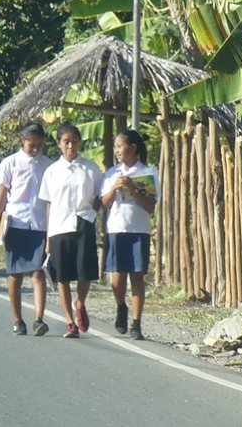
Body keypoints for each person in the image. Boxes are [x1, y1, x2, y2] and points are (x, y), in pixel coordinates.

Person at [38, 123, 103, 339]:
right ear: (59, 144)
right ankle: (69, 322)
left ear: (80, 142)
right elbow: (48, 204)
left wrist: (92, 214)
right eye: (66, 141)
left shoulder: (91, 168)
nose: (70, 146)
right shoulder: (52, 172)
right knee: (62, 277)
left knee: (85, 271)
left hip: (84, 223)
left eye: (74, 141)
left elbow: (99, 196)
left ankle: (80, 303)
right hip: (59, 226)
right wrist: (48, 237)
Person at [0, 122, 52, 336]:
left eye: (39, 145)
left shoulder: (48, 165)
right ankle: (18, 320)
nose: (35, 149)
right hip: (16, 223)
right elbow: (1, 197)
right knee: (15, 274)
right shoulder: (10, 163)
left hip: (40, 224)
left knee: (39, 272)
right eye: (31, 145)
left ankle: (39, 319)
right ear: (22, 141)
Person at [101, 129, 159, 340]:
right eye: (115, 147)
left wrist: (133, 190)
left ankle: (136, 323)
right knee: (117, 279)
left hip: (138, 230)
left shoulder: (148, 172)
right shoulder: (112, 173)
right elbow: (104, 203)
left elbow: (150, 206)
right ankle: (120, 306)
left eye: (120, 146)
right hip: (117, 228)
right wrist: (115, 188)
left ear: (133, 148)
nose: (117, 151)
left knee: (137, 276)